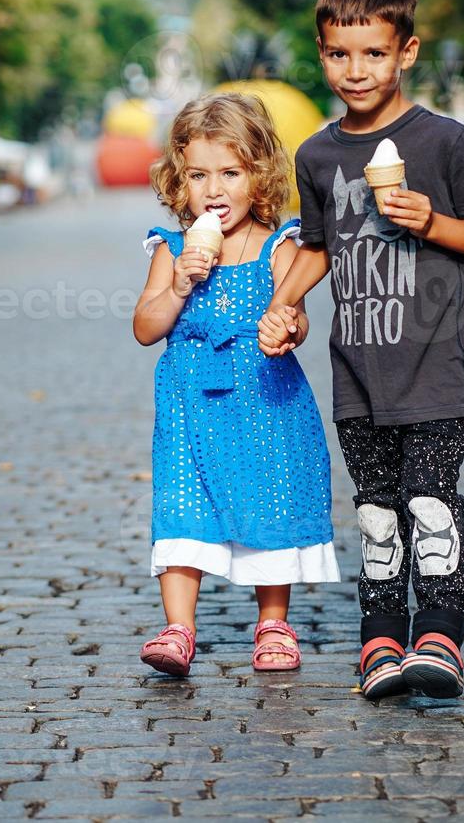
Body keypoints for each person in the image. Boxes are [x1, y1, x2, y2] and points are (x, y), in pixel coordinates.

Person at [258, 0, 464, 701]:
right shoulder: (316, 155)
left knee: (429, 501)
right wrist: (284, 305)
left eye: (373, 53)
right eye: (339, 54)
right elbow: (314, 246)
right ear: (321, 53)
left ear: (406, 51)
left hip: (436, 367)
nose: (355, 70)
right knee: (374, 510)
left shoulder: (443, 142)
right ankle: (379, 643)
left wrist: (433, 222)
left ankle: (438, 634)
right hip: (357, 370)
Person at [131, 92, 339, 677]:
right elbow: (145, 328)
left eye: (231, 173)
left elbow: (293, 310)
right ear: (179, 179)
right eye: (199, 175)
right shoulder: (170, 250)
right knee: (182, 503)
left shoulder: (280, 244)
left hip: (264, 402)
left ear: (260, 176)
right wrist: (176, 287)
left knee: (270, 498)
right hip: (189, 405)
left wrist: (287, 324)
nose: (214, 190)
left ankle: (273, 622)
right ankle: (179, 628)